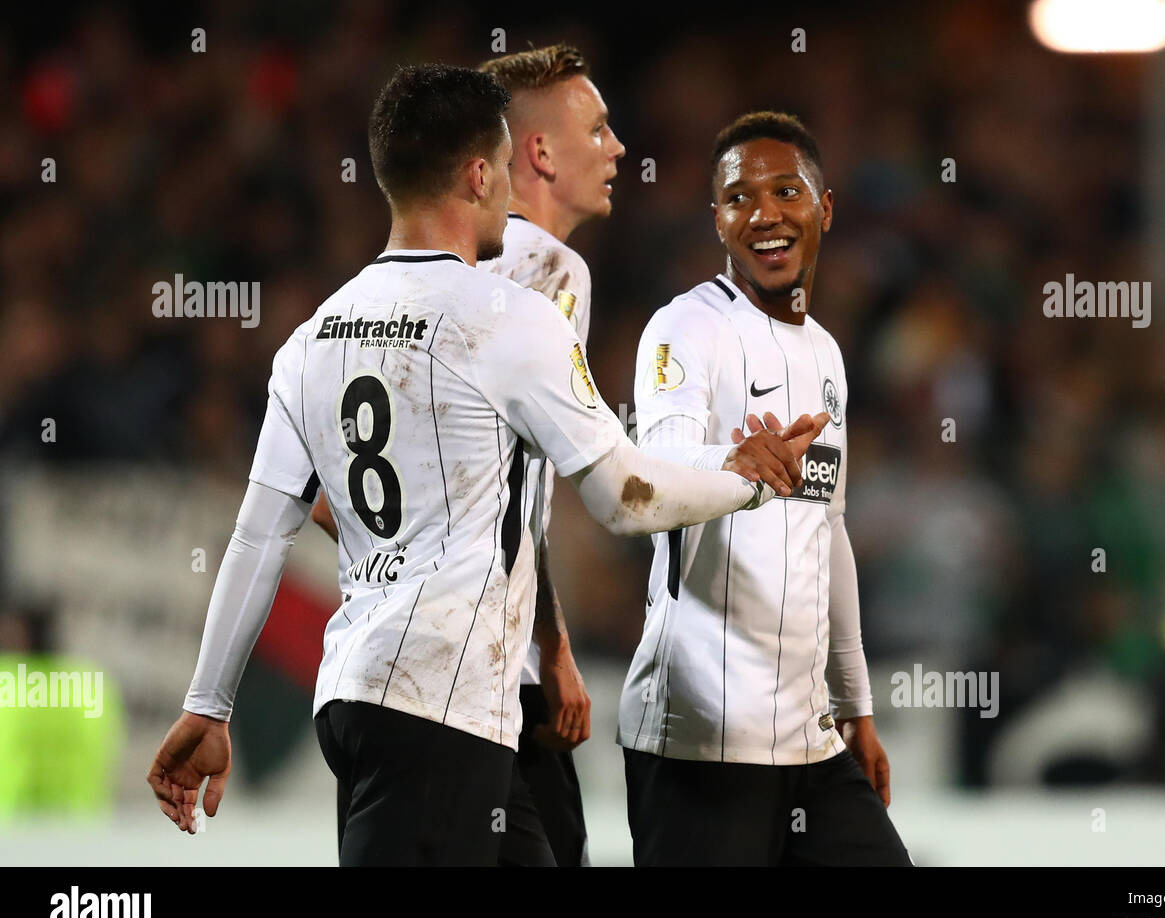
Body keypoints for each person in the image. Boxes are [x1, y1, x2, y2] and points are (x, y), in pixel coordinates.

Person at [147, 66, 828, 866]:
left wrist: (207, 702)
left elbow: (260, 536)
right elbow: (623, 495)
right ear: (477, 175)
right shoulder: (506, 320)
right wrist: (749, 478)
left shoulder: (312, 338)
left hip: (371, 696)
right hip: (437, 701)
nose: (510, 190)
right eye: (503, 169)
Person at [311, 43, 625, 866]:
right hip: (483, 680)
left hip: (415, 674)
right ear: (539, 154)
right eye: (598, 128)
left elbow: (320, 490)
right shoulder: (549, 272)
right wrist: (548, 650)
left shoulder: (412, 279)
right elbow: (568, 496)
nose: (620, 147)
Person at [619, 111, 911, 865]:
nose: (765, 214)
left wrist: (856, 705)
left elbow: (828, 531)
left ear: (826, 207)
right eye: (739, 198)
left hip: (808, 741)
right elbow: (657, 466)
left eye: (786, 191)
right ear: (717, 219)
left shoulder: (827, 355)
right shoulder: (685, 329)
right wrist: (735, 462)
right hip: (700, 739)